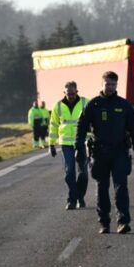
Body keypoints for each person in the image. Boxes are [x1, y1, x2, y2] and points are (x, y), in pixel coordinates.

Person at [76, 71, 134, 235]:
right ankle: (104, 223)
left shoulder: (124, 105)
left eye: (113, 84)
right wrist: (78, 148)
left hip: (120, 151)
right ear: (102, 84)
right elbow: (81, 127)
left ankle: (123, 222)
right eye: (107, 84)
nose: (110, 87)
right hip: (100, 152)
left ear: (116, 85)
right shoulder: (94, 105)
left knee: (121, 187)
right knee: (102, 188)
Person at [49, 82, 89, 210]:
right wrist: (51, 144)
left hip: (82, 143)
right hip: (66, 144)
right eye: (68, 93)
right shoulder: (58, 106)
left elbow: (93, 122)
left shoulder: (85, 103)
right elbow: (53, 125)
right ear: (64, 93)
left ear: (77, 91)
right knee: (69, 172)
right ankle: (72, 200)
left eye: (73, 93)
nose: (71, 96)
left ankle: (80, 197)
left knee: (83, 174)